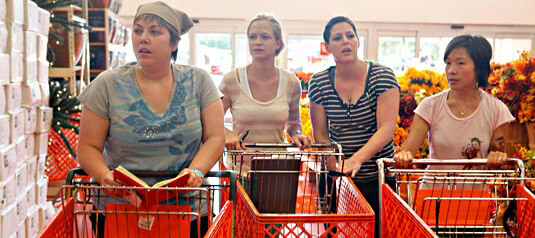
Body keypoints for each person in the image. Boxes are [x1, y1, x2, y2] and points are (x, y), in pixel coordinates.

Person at [77, 1, 225, 237]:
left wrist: (196, 171)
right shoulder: (107, 85)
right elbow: (87, 147)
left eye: (154, 32)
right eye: (138, 31)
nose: (143, 38)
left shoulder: (199, 81)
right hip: (122, 211)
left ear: (174, 43)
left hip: (187, 211)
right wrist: (104, 175)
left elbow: (216, 137)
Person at [308, 16, 400, 237]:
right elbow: (321, 133)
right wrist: (336, 172)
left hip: (378, 177)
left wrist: (356, 160)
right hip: (336, 178)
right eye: (337, 38)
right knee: (336, 233)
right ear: (328, 47)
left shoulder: (382, 76)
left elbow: (386, 129)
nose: (345, 42)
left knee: (378, 232)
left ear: (358, 41)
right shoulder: (319, 82)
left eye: (350, 36)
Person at [394, 34, 514, 175]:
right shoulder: (430, 106)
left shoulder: (496, 110)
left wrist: (497, 158)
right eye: (448, 63)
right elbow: (408, 153)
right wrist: (403, 157)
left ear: (479, 67)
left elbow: (497, 157)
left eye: (460, 63)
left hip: (475, 195)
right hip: (433, 194)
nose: (451, 71)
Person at [219, 14, 311, 170]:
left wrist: (296, 135)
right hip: (240, 170)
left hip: (277, 169)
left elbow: (293, 122)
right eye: (252, 37)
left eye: (265, 37)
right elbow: (210, 120)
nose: (257, 42)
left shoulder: (291, 83)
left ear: (278, 43)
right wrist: (227, 132)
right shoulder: (232, 80)